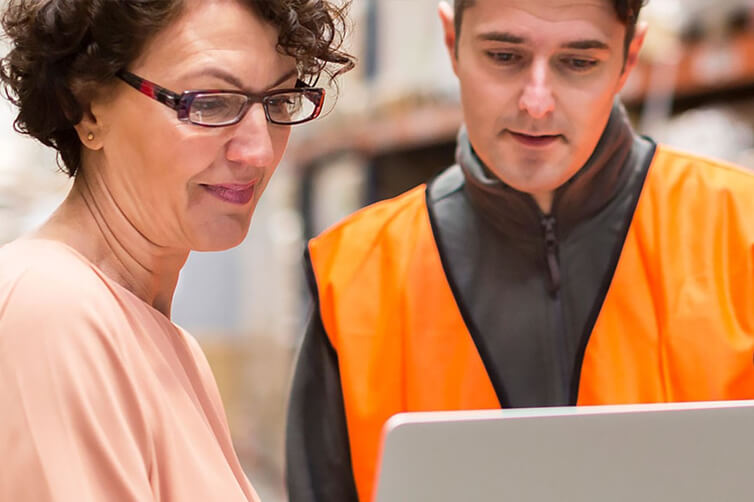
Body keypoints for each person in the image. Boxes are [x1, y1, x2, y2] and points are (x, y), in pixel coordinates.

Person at [285, 0, 754, 501]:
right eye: (504, 57)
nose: (537, 102)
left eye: (578, 63)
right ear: (452, 44)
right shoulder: (353, 276)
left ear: (629, 57)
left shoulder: (739, 231)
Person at [0, 0, 353, 500]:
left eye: (279, 101)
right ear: (87, 108)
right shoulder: (54, 311)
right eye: (210, 102)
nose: (259, 151)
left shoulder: (168, 342)